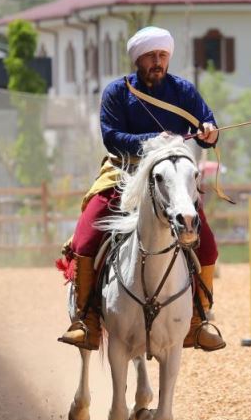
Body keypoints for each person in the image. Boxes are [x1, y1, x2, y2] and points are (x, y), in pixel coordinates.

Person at [58, 26, 226, 353]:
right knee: (86, 235)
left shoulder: (184, 91)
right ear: (138, 59)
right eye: (151, 56)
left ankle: (198, 320)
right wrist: (150, 142)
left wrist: (209, 131)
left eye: (162, 55)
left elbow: (209, 125)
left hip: (172, 180)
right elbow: (111, 138)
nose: (157, 62)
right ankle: (86, 320)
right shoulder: (116, 93)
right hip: (124, 173)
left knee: (207, 246)